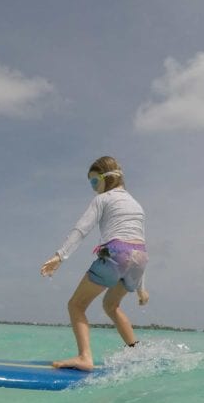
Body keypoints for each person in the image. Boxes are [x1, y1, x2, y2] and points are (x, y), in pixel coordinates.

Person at [40, 156, 149, 370]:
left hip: (116, 255)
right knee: (111, 305)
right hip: (140, 259)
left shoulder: (103, 199)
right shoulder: (137, 205)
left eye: (93, 182)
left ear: (105, 178)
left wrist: (60, 256)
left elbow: (81, 229)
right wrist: (141, 289)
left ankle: (84, 357)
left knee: (76, 305)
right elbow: (137, 244)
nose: (93, 188)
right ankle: (137, 353)